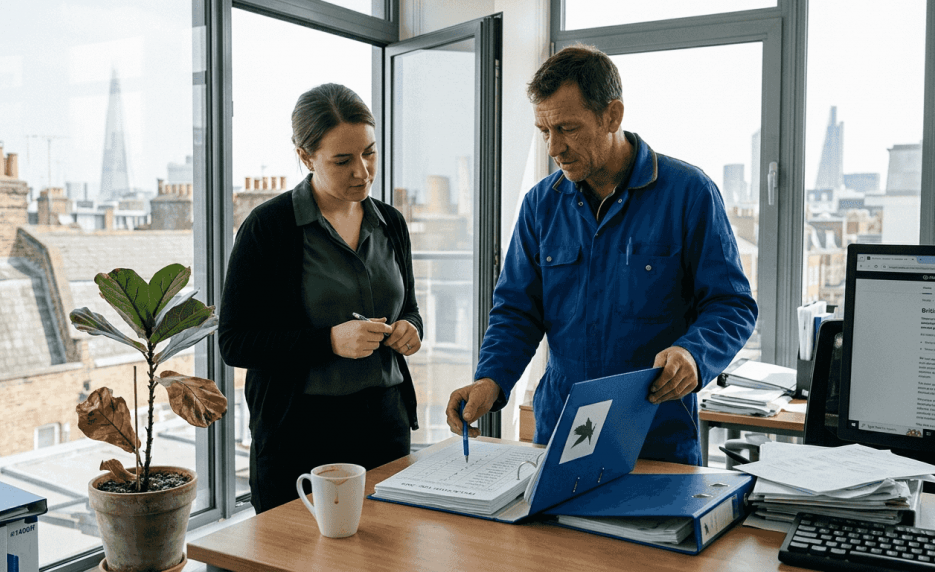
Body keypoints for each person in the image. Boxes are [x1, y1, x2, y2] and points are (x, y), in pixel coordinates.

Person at [446, 45, 758, 466]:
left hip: (656, 437)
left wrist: (694, 355)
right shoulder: (541, 204)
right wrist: (491, 379)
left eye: (567, 128)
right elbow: (517, 310)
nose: (554, 148)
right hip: (560, 430)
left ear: (612, 115)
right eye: (544, 131)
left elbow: (731, 305)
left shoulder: (689, 194)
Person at [219, 83, 423, 513]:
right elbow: (235, 342)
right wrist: (329, 342)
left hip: (386, 426)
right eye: (343, 160)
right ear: (305, 157)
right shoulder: (267, 229)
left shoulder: (391, 222)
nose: (363, 172)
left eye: (369, 152)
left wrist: (411, 329)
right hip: (300, 434)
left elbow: (409, 308)